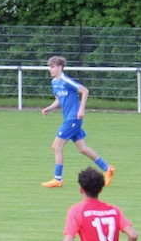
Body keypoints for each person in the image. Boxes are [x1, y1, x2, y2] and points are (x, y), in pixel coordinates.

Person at [40, 56, 114, 188]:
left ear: (60, 67)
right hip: (69, 118)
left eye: (52, 67)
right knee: (83, 149)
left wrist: (81, 109)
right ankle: (107, 169)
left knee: (56, 147)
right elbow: (59, 99)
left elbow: (85, 90)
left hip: (73, 118)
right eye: (49, 67)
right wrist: (49, 108)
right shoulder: (54, 83)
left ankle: (58, 179)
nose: (50, 69)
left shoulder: (66, 81)